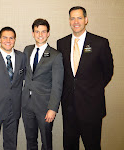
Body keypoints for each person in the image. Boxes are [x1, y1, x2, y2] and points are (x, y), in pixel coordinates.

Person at [57, 6, 114, 150]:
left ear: (86, 20)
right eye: (72, 18)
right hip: (69, 107)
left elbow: (108, 72)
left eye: (79, 18)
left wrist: (92, 89)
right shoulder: (61, 43)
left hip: (92, 107)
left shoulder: (100, 43)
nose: (76, 21)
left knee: (93, 145)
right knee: (69, 146)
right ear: (69, 21)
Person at [22, 18, 64, 150]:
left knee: (46, 141)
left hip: (44, 106)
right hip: (26, 104)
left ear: (48, 33)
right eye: (37, 31)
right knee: (30, 140)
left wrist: (52, 108)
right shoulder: (27, 50)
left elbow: (58, 85)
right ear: (33, 33)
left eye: (43, 31)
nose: (40, 35)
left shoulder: (56, 55)